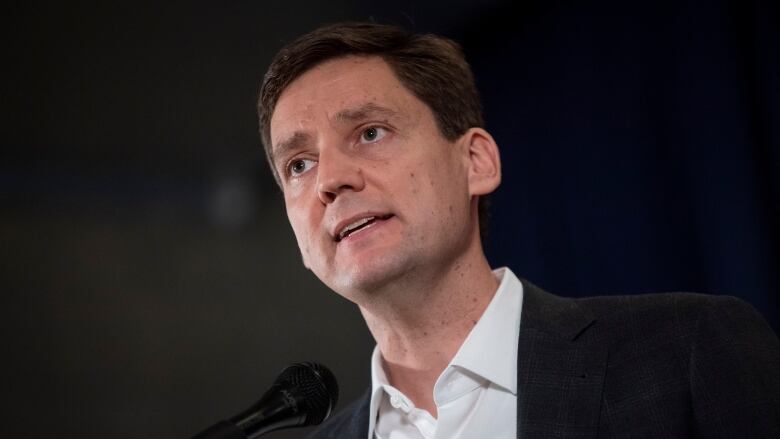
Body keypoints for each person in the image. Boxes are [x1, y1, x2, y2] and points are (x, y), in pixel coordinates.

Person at [257, 22, 780, 438]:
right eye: (298, 165)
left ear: (476, 162)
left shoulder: (685, 352)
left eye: (370, 133)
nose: (330, 180)